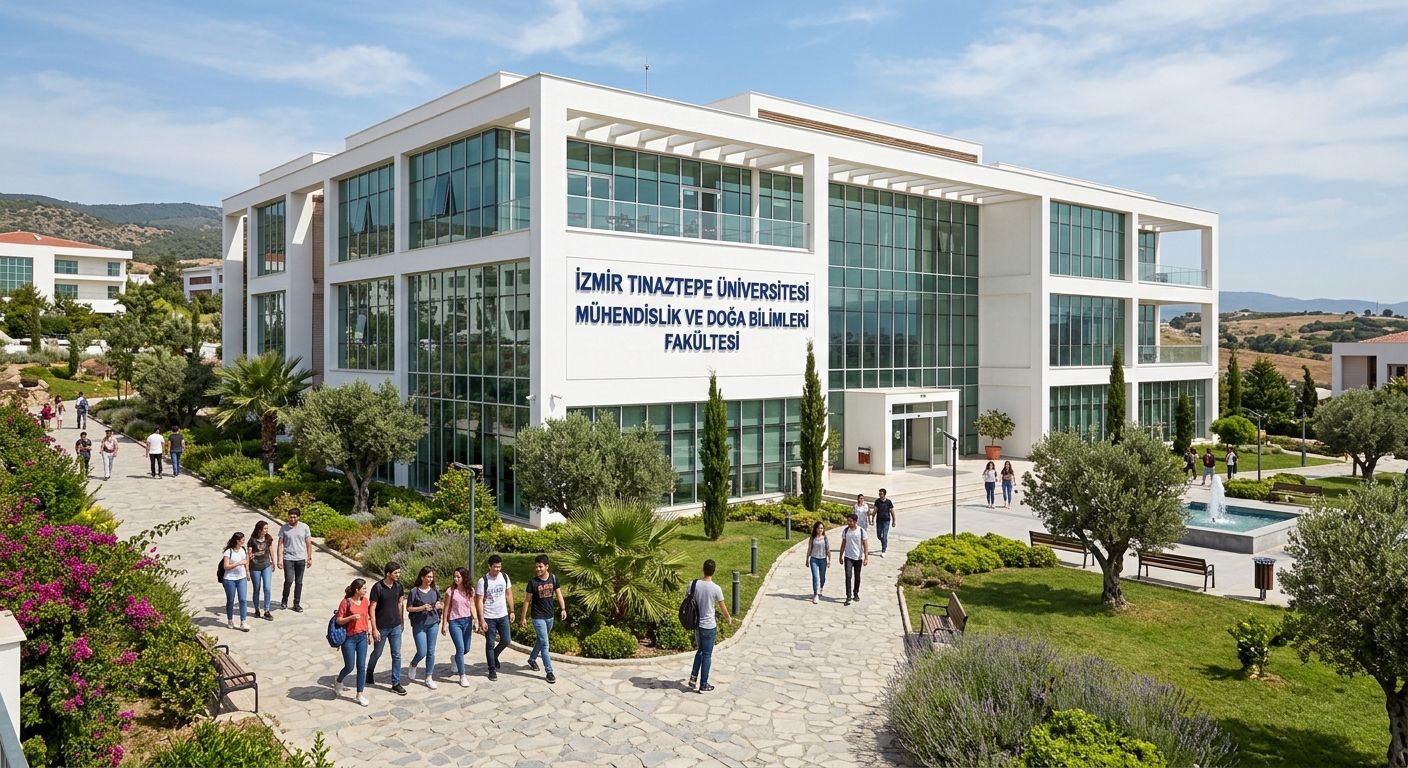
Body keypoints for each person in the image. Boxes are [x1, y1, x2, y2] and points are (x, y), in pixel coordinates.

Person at [687, 559, 732, 694]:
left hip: (697, 624)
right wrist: (728, 618)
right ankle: (704, 683)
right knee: (707, 655)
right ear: (714, 571)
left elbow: (688, 601)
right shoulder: (716, 589)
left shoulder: (693, 584)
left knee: (699, 651)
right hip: (709, 626)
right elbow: (722, 607)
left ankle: (693, 678)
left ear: (702, 569)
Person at [520, 554, 566, 684]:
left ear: (547, 566)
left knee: (541, 641)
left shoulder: (554, 579)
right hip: (538, 617)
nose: (538, 569)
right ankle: (549, 672)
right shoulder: (533, 582)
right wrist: (523, 618)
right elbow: (527, 601)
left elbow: (559, 594)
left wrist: (563, 609)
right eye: (536, 567)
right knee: (545, 644)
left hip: (550, 616)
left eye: (540, 567)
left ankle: (532, 659)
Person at [367, 561, 407, 696]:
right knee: (377, 653)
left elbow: (400, 604)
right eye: (396, 573)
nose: (398, 575)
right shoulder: (377, 588)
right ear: (388, 574)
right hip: (381, 627)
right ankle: (370, 671)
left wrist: (402, 621)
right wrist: (374, 628)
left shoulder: (398, 587)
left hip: (395, 626)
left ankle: (396, 683)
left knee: (396, 654)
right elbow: (372, 609)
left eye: (399, 572)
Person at [333, 578, 372, 707]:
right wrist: (351, 618)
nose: (366, 591)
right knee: (349, 666)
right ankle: (339, 681)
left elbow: (366, 618)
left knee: (361, 666)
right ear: (357, 590)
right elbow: (339, 620)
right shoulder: (346, 603)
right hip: (349, 638)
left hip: (362, 637)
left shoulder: (365, 601)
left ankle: (359, 694)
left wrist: (369, 633)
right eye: (364, 588)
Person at [476, 555, 514, 682]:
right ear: (489, 566)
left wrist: (512, 611)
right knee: (490, 643)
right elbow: (479, 600)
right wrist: (481, 619)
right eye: (495, 567)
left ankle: (494, 656)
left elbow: (509, 594)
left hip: (502, 615)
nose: (497, 569)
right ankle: (491, 669)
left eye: (499, 566)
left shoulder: (504, 577)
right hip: (489, 616)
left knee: (506, 640)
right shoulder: (483, 581)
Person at [439, 567, 477, 688]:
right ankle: (463, 676)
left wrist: (475, 619)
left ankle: (454, 658)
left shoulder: (470, 590)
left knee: (466, 649)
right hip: (454, 622)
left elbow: (472, 605)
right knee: (460, 648)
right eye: (454, 576)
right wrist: (444, 623)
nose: (456, 579)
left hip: (467, 621)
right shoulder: (451, 591)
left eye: (458, 577)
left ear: (464, 577)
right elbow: (446, 608)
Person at [407, 566, 442, 690]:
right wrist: (421, 608)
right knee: (422, 651)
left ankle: (428, 677)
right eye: (428, 577)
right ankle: (413, 664)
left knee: (431, 651)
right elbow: (409, 608)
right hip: (419, 624)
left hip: (433, 623)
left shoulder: (434, 590)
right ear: (422, 577)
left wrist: (439, 605)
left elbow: (439, 602)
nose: (430, 579)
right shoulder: (414, 591)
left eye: (432, 577)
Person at [220, 532, 250, 631]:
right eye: (242, 540)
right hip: (229, 579)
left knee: (243, 600)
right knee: (231, 600)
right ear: (237, 541)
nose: (243, 542)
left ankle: (243, 621)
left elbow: (246, 561)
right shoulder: (228, 552)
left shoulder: (243, 550)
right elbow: (226, 566)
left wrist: (247, 571)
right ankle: (230, 620)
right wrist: (238, 563)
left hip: (241, 577)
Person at [247, 521, 275, 621]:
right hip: (255, 566)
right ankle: (257, 608)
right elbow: (249, 552)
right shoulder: (252, 540)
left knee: (267, 588)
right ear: (259, 529)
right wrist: (250, 556)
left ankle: (267, 610)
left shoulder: (268, 538)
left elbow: (271, 549)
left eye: (267, 528)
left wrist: (273, 561)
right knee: (257, 588)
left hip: (266, 564)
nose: (266, 531)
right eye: (265, 529)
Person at [839, 513, 868, 606]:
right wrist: (840, 555)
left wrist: (866, 557)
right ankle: (848, 595)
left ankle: (856, 593)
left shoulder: (861, 531)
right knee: (848, 576)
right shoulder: (846, 531)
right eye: (848, 521)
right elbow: (843, 543)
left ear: (855, 522)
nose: (848, 522)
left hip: (858, 557)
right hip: (848, 556)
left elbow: (865, 544)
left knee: (857, 577)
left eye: (850, 521)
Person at [806, 521, 829, 604]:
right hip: (814, 559)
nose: (820, 530)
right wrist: (807, 559)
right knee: (815, 577)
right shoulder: (812, 538)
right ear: (816, 529)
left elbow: (828, 549)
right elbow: (810, 548)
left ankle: (821, 587)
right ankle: (816, 594)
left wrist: (829, 559)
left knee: (822, 577)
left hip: (823, 559)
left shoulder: (825, 538)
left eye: (822, 528)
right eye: (819, 528)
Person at [873, 489, 896, 556]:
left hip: (886, 520)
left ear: (884, 494)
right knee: (879, 535)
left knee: (885, 535)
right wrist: (872, 519)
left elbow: (892, 511)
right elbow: (875, 510)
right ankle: (884, 542)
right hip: (879, 520)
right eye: (879, 494)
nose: (880, 495)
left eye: (881, 494)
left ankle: (883, 550)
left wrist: (894, 520)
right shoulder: (877, 501)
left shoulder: (888, 502)